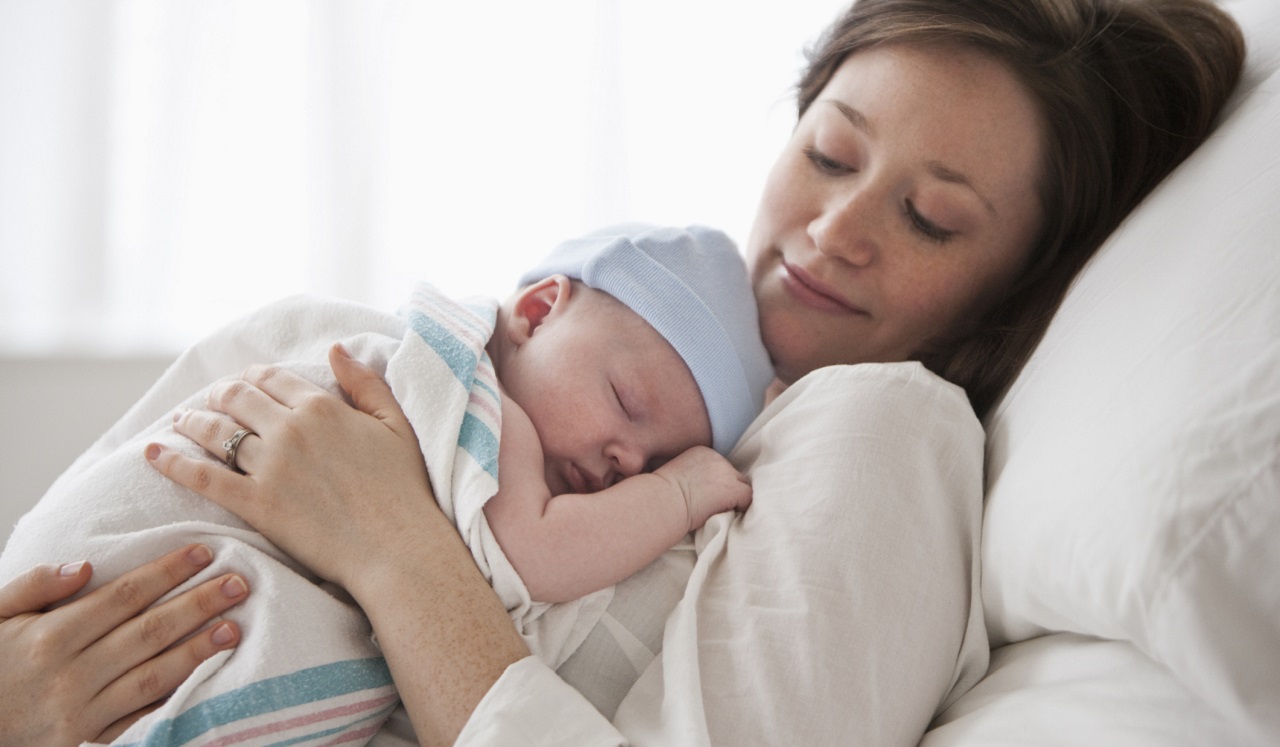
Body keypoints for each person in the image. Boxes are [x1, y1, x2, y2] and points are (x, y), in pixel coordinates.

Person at [0, 0, 1245, 745]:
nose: (833, 230)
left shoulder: (882, 435)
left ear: (1008, 297)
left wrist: (391, 542)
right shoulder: (623, 351)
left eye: (929, 218)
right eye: (828, 153)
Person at [0, 224, 771, 745]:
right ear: (537, 312)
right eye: (627, 404)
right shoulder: (479, 403)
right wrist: (679, 492)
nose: (625, 463)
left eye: (658, 456)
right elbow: (534, 553)